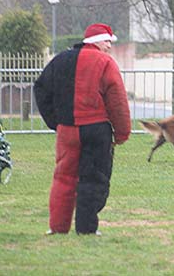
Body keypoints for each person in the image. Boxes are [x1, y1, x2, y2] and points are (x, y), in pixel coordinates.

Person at [34, 23, 131, 235]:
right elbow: (117, 100)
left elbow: (41, 89)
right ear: (95, 41)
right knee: (93, 178)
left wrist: (55, 121)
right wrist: (122, 132)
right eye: (107, 41)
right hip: (97, 129)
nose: (109, 46)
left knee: (63, 177)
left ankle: (58, 227)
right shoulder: (105, 62)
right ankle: (86, 229)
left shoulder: (59, 60)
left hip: (67, 130)